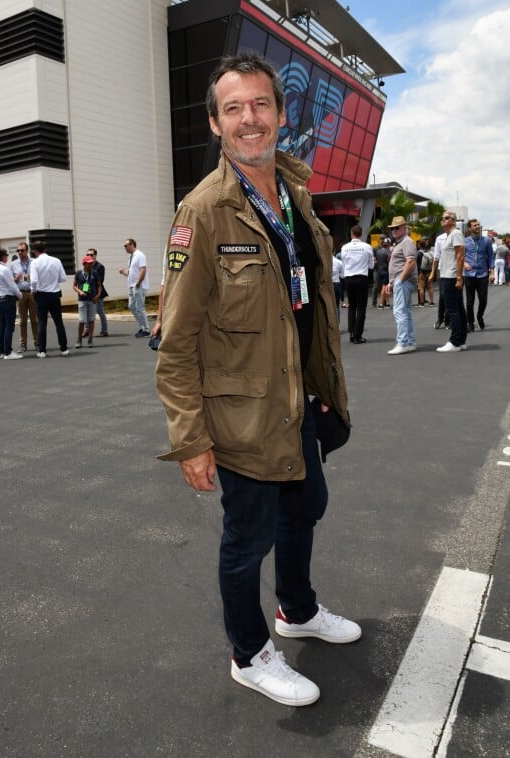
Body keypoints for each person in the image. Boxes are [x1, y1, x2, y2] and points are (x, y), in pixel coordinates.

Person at [156, 53, 360, 709]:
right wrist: (190, 439)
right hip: (239, 418)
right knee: (247, 542)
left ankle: (296, 610)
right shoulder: (205, 211)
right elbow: (177, 339)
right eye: (235, 108)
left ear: (279, 114)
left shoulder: (296, 197)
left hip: (295, 403)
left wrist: (323, 386)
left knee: (307, 506)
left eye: (261, 105)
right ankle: (249, 654)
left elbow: (310, 310)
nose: (251, 119)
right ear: (216, 124)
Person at [433, 212, 467, 352]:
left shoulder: (456, 234)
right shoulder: (448, 236)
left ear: (454, 221)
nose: (443, 220)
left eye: (446, 218)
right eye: (442, 218)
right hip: (448, 275)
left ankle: (454, 342)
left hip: (451, 276)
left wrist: (459, 277)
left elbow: (460, 256)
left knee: (452, 309)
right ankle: (461, 341)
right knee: (458, 309)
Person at [30, 240, 69, 358]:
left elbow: (34, 281)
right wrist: (53, 281)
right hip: (55, 294)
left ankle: (42, 350)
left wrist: (33, 291)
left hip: (42, 295)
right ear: (45, 249)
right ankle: (64, 348)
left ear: (35, 251)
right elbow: (63, 278)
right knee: (59, 322)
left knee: (42, 324)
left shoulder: (35, 263)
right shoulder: (56, 260)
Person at [385, 216, 418, 355]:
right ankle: (409, 342)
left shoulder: (406, 242)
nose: (394, 230)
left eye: (396, 227)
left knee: (400, 312)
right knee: (406, 312)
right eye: (392, 228)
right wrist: (392, 282)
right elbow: (400, 264)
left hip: (403, 281)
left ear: (404, 228)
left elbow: (410, 262)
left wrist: (399, 280)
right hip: (401, 281)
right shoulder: (401, 242)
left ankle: (403, 342)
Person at [340, 225, 374, 343]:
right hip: (361, 278)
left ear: (351, 234)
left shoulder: (344, 247)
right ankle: (358, 336)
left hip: (349, 278)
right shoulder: (367, 247)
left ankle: (351, 333)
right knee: (361, 307)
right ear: (361, 234)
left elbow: (343, 263)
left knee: (351, 306)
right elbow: (371, 266)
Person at [0, 248, 23, 359]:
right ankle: (8, 352)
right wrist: (20, 295)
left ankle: (1, 351)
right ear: (3, 257)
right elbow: (12, 286)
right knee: (9, 326)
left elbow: (3, 283)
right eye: (6, 255)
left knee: (2, 326)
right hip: (8, 299)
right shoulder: (4, 269)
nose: (7, 257)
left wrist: (13, 280)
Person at [463, 219, 494, 331]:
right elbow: (460, 256)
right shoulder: (465, 241)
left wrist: (492, 272)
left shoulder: (486, 241)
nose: (477, 226)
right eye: (474, 225)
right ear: (470, 228)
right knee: (469, 301)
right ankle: (470, 322)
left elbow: (490, 256)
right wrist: (465, 264)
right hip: (469, 274)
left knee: (483, 300)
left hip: (483, 274)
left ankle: (479, 316)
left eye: (478, 225)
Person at [10, 241, 39, 352]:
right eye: (18, 250)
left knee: (34, 320)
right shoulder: (14, 264)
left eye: (22, 250)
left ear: (27, 251)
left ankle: (37, 342)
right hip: (21, 293)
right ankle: (23, 344)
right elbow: (10, 281)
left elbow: (39, 276)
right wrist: (15, 279)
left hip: (32, 293)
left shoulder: (34, 262)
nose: (20, 252)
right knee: (22, 321)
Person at [119, 239, 150, 337]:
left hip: (138, 286)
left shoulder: (140, 255)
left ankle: (146, 330)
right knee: (132, 307)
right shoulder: (130, 257)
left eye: (126, 245)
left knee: (140, 308)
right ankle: (142, 327)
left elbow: (143, 270)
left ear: (132, 245)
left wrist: (138, 283)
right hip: (132, 286)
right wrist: (124, 272)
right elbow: (131, 273)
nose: (124, 247)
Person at [73, 255, 102, 348]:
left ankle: (90, 339)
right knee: (81, 321)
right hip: (82, 300)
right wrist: (80, 292)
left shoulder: (94, 273)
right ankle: (79, 339)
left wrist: (98, 295)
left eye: (92, 263)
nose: (91, 265)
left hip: (92, 300)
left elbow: (99, 285)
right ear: (84, 264)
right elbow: (74, 286)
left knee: (91, 320)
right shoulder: (78, 273)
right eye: (89, 263)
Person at [85, 248, 109, 337]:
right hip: (88, 293)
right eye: (87, 255)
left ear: (95, 256)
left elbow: (100, 281)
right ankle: (87, 330)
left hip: (98, 294)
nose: (89, 256)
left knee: (100, 311)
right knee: (87, 312)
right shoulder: (86, 266)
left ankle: (104, 331)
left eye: (91, 255)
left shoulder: (100, 267)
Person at [429, 232, 450, 330]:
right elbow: (436, 257)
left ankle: (448, 320)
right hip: (443, 271)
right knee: (442, 297)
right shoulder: (440, 239)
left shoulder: (458, 236)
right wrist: (433, 272)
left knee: (452, 298)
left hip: (454, 272)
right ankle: (440, 319)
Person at [373, 237, 391, 308]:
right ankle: (381, 303)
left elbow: (376, 261)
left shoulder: (378, 252)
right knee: (384, 287)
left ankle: (387, 303)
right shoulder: (388, 252)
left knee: (385, 286)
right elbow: (389, 261)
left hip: (379, 271)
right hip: (386, 271)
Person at [416, 239, 434, 307]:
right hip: (429, 272)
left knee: (421, 288)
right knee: (430, 287)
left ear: (419, 245)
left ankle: (422, 303)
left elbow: (417, 264)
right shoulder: (428, 252)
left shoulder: (419, 253)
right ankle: (431, 302)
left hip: (421, 273)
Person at [332, 253, 344, 321]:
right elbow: (343, 276)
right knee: (336, 305)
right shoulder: (339, 262)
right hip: (336, 283)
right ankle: (337, 326)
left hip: (327, 285)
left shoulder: (323, 262)